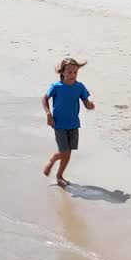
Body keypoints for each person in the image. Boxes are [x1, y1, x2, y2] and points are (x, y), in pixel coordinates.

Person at [42, 57, 95, 187]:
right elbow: (44, 98)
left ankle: (60, 175)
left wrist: (90, 105)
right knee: (64, 151)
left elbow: (86, 102)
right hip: (59, 124)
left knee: (68, 152)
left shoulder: (80, 87)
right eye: (69, 72)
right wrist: (48, 114)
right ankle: (53, 159)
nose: (72, 75)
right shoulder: (56, 87)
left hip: (73, 124)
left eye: (75, 72)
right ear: (63, 72)